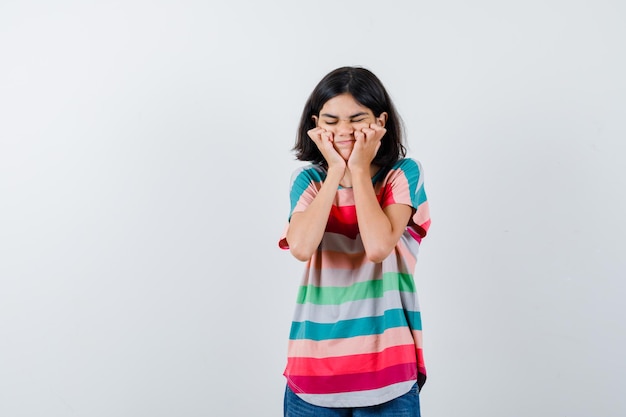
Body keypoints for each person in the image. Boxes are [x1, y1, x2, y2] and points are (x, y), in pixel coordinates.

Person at [279, 66, 431, 416]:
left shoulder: (403, 174)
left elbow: (378, 246)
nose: (343, 130)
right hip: (312, 371)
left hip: (387, 372)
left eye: (356, 118)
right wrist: (335, 170)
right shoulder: (310, 181)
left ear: (381, 121)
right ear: (315, 124)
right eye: (330, 121)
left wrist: (359, 170)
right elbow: (301, 248)